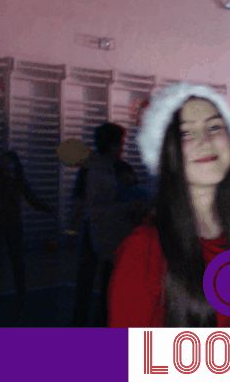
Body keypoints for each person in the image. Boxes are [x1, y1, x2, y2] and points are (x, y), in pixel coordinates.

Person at [108, 83, 230, 327]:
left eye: (214, 127)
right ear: (164, 155)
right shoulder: (144, 248)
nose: (205, 141)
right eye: (185, 133)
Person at [72, 122, 143, 326]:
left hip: (105, 228)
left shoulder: (97, 168)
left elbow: (79, 201)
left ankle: (92, 321)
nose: (122, 147)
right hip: (106, 229)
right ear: (114, 145)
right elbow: (80, 200)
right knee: (100, 277)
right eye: (121, 143)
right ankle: (95, 321)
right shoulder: (109, 169)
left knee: (99, 278)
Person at [0, 151, 55, 315]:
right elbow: (31, 198)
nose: (6, 165)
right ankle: (16, 292)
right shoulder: (7, 180)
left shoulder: (11, 181)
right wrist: (47, 208)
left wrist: (46, 208)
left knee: (10, 259)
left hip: (5, 223)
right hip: (2, 223)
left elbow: (31, 198)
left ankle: (16, 292)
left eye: (8, 162)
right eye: (4, 162)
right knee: (0, 259)